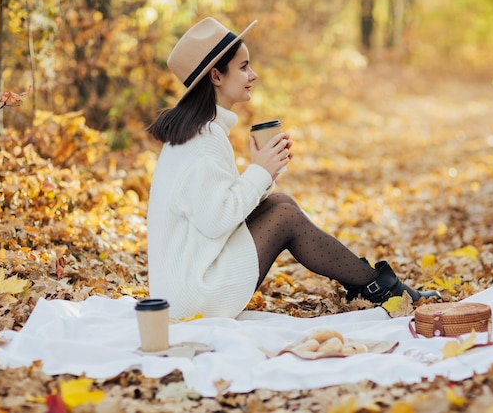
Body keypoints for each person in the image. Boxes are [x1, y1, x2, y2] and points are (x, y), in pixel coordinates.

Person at [146, 17, 440, 319]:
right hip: (193, 298)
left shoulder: (200, 132)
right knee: (284, 216)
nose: (253, 74)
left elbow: (218, 212)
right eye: (244, 66)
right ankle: (383, 288)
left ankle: (376, 286)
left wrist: (266, 172)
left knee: (280, 203)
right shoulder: (203, 140)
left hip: (188, 283)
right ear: (216, 77)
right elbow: (217, 221)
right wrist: (258, 171)